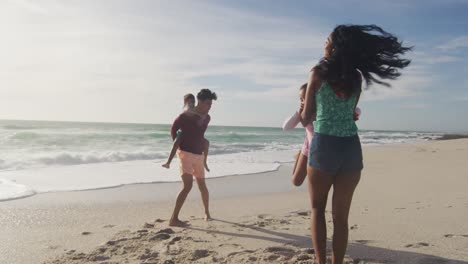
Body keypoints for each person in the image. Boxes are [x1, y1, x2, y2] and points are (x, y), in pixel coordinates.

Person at [301, 24, 411, 264]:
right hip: (351, 148)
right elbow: (351, 112)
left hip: (324, 146)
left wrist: (302, 110)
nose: (324, 43)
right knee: (341, 218)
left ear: (335, 46)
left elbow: (307, 117)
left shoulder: (317, 72)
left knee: (317, 210)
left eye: (327, 39)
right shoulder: (356, 77)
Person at [283, 84, 361, 187]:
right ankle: (299, 155)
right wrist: (298, 112)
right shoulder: (303, 113)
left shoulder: (326, 108)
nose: (303, 102)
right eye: (301, 99)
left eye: (305, 98)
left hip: (324, 151)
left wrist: (352, 112)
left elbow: (357, 110)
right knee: (296, 182)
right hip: (308, 149)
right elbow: (286, 127)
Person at [169, 89, 217, 227]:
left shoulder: (207, 118)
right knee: (188, 186)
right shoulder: (185, 116)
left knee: (202, 186)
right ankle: (174, 219)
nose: (209, 106)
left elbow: (199, 133)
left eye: (211, 104)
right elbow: (173, 131)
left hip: (198, 155)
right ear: (200, 101)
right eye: (207, 103)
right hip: (186, 154)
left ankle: (207, 213)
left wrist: (203, 144)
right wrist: (179, 146)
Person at [162, 94, 211, 172]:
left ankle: (204, 162)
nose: (191, 103)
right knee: (177, 140)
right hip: (183, 134)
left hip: (194, 136)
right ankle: (168, 162)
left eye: (193, 101)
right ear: (185, 102)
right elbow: (173, 129)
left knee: (206, 142)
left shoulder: (197, 110)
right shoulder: (185, 111)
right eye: (189, 102)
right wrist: (178, 141)